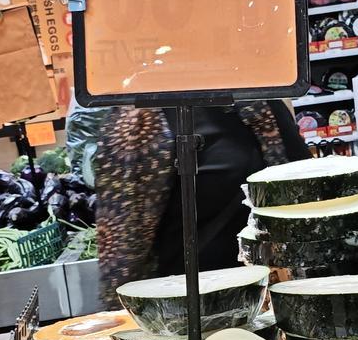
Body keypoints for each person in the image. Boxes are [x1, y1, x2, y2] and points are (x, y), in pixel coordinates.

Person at [95, 102, 304, 305]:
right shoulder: (137, 122)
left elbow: (304, 196)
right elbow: (121, 251)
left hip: (272, 300)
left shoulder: (260, 103)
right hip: (184, 309)